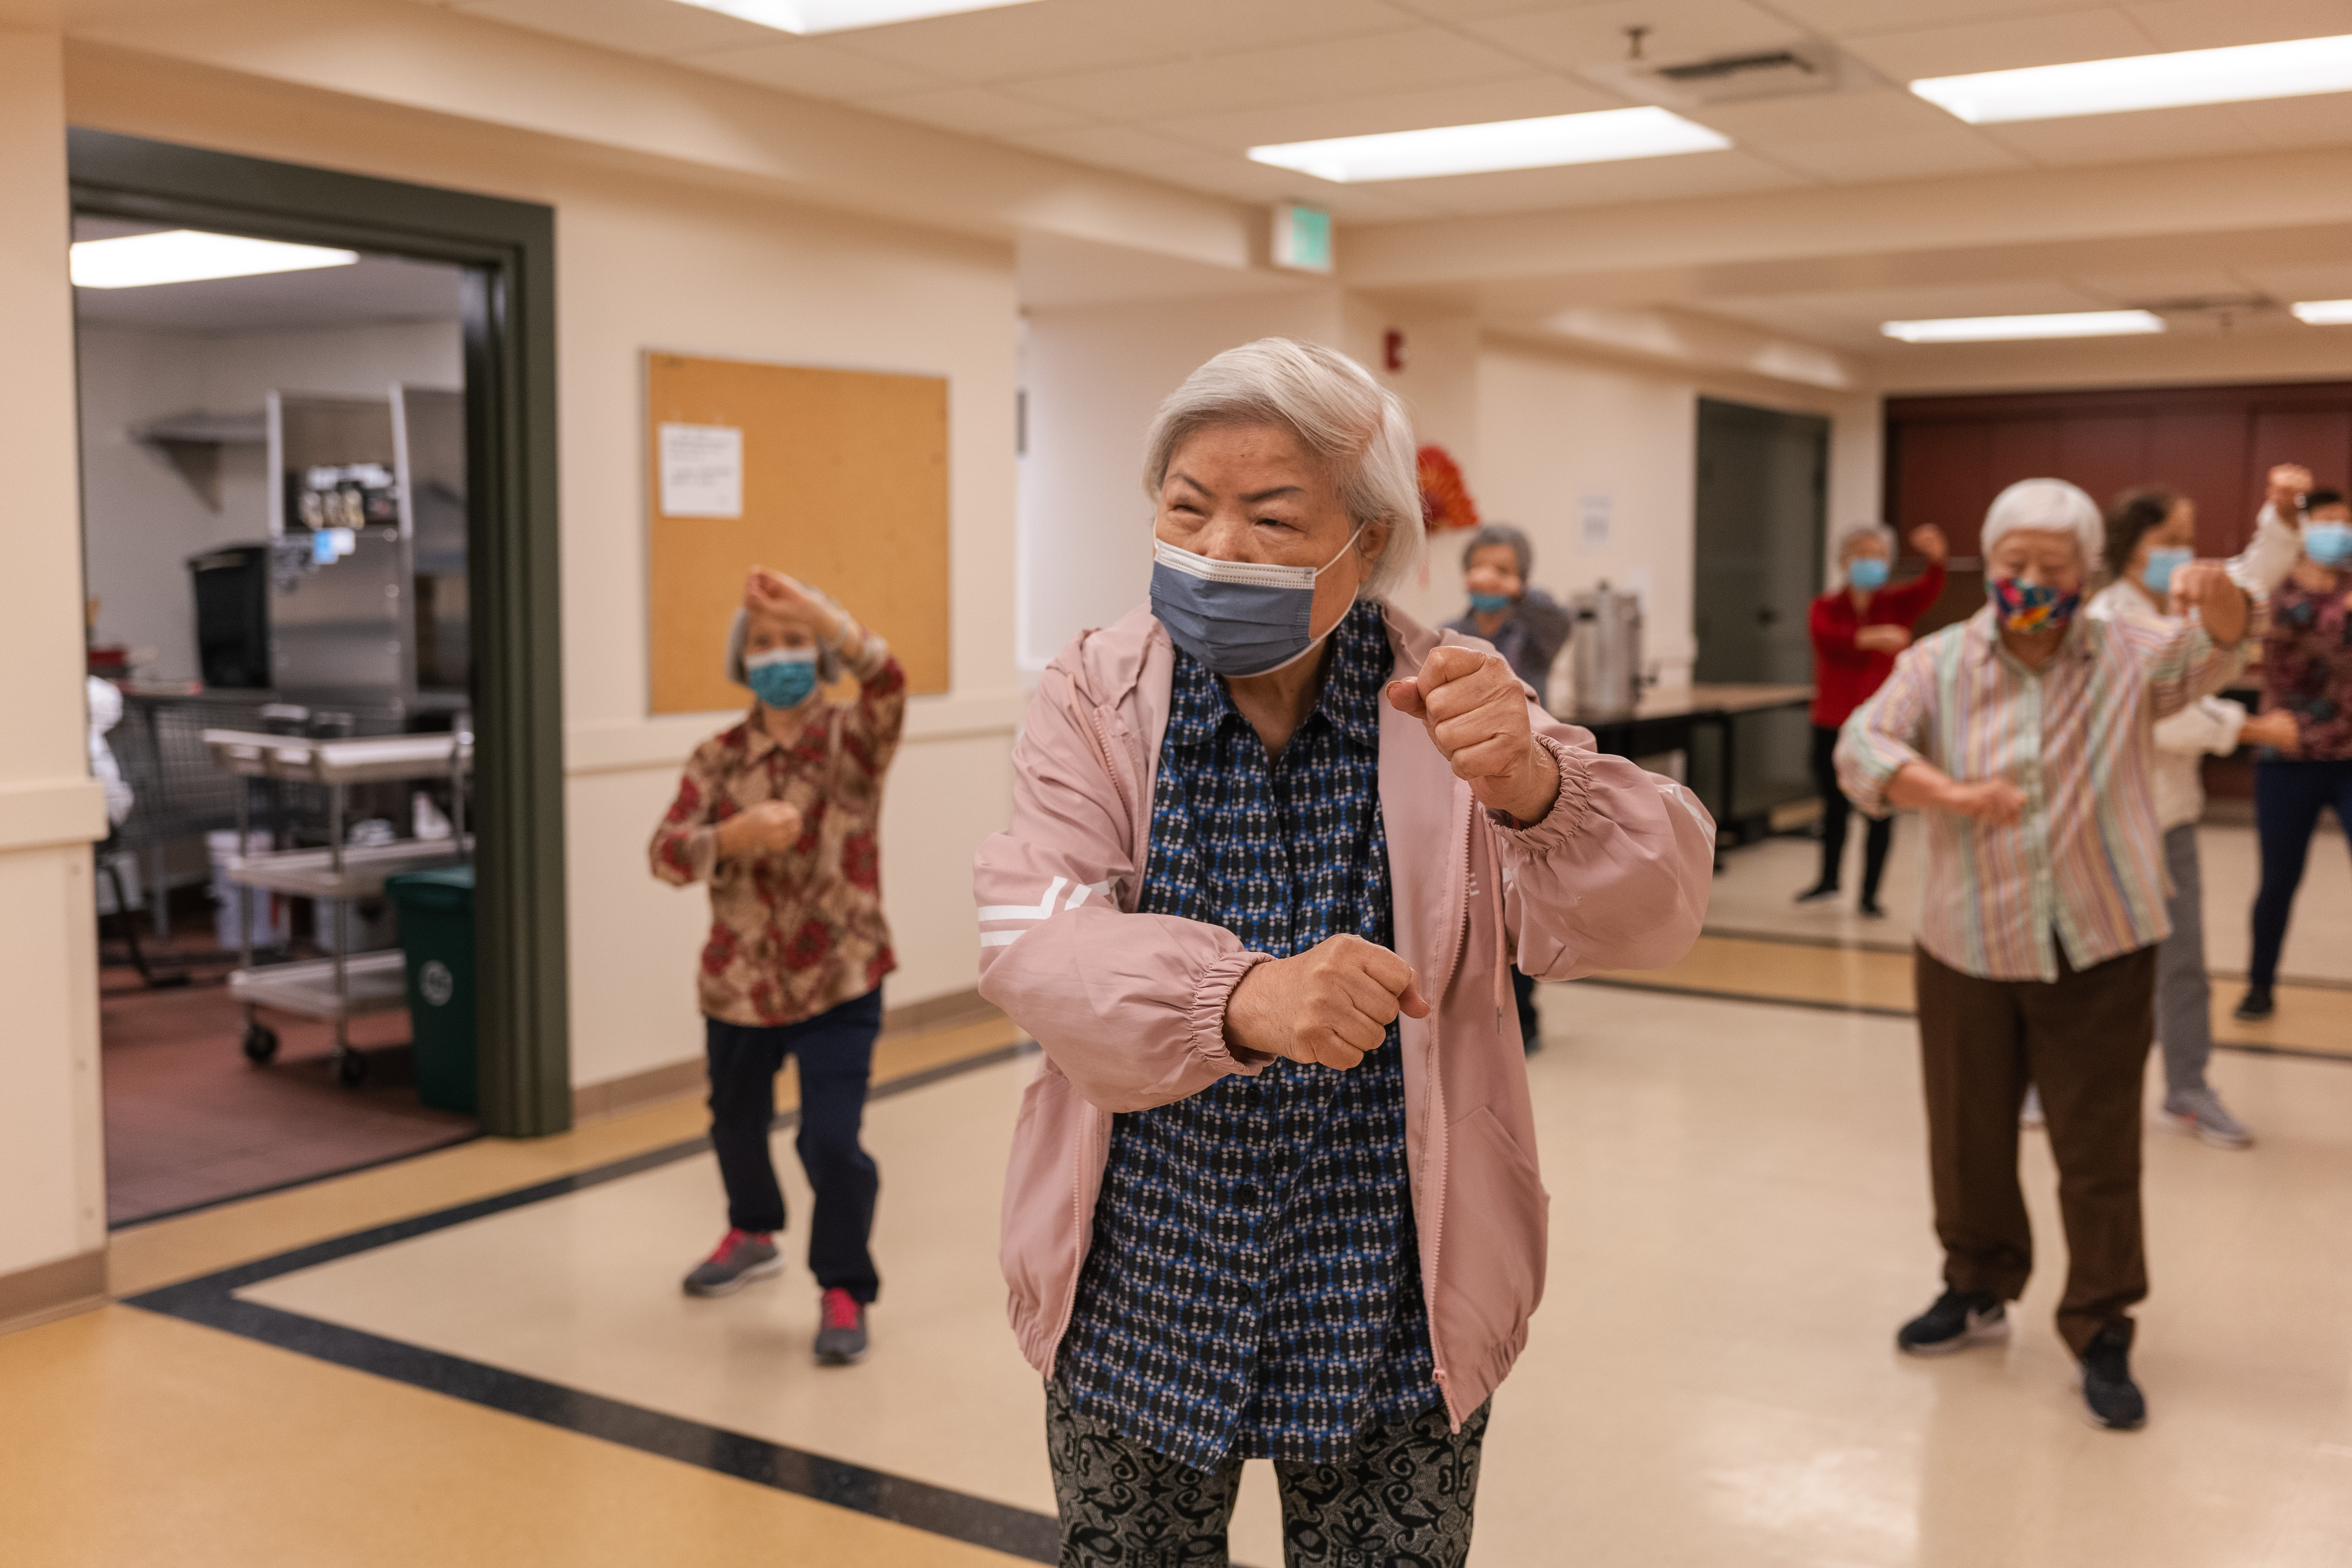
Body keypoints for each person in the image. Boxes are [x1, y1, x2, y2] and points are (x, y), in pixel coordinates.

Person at [974, 338, 1714, 1566]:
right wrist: (1242, 999)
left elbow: (1656, 910)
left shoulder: (1457, 703)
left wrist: (1535, 790)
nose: (1216, 549)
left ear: (1366, 544)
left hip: (1387, 1283)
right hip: (1143, 1277)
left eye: (1270, 516)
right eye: (1187, 507)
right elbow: (1029, 939)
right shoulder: (1094, 698)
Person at [1838, 477, 2249, 1433]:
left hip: (2100, 940)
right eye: (2014, 562)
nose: (2029, 579)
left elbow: (2216, 648)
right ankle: (1976, 1285)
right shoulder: (1938, 662)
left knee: (2096, 1147)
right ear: (1993, 564)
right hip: (1965, 939)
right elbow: (1862, 747)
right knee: (1967, 1129)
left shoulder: (2127, 656)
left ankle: (2101, 1322)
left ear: (2084, 575)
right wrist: (1942, 790)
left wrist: (2221, 593)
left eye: (2052, 567)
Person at [648, 566, 905, 1365]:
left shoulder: (852, 741)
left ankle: (842, 1286)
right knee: (735, 1120)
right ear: (742, 659)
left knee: (831, 1143)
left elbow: (887, 679)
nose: (780, 655)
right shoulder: (718, 758)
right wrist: (728, 839)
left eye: (794, 643)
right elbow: (664, 854)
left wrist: (822, 616)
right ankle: (752, 1230)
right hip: (740, 981)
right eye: (765, 643)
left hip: (841, 974)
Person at [2087, 487, 2281, 1148]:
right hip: (2104, 826)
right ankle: (2048, 1081)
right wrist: (2251, 726)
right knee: (2085, 968)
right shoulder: (2105, 616)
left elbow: (2251, 578)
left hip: (2169, 820)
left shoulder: (2183, 598)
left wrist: (2278, 517)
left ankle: (2187, 1090)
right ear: (2131, 544)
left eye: (2187, 537)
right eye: (2169, 537)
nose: (2182, 551)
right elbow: (2161, 717)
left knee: (2183, 963)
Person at [1445, 521, 1574, 1048]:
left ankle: (1526, 1018)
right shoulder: (1450, 633)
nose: (1488, 578)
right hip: (1463, 786)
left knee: (1517, 902)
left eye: (1503, 570)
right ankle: (1477, 1014)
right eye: (1480, 567)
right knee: (1472, 904)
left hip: (1523, 782)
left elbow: (1558, 619)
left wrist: (1521, 592)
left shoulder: (1534, 634)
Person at [2233, 473, 2352, 1021]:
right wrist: (2276, 513)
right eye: (2327, 523)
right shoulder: (2273, 580)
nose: (2338, 533)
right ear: (2304, 527)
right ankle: (2258, 985)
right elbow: (2251, 573)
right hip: (2285, 757)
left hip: (2348, 756)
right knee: (2277, 880)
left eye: (2345, 525)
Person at [1799, 521, 1948, 916]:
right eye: (1862, 555)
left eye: (1879, 556)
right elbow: (1829, 640)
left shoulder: (1895, 605)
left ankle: (1869, 896)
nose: (1871, 563)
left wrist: (1936, 556)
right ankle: (1828, 881)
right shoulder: (1825, 607)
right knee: (1833, 808)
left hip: (1882, 727)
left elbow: (1929, 587)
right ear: (1844, 561)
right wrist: (1874, 637)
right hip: (1830, 722)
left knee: (1880, 809)